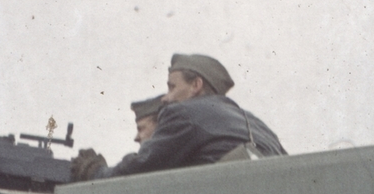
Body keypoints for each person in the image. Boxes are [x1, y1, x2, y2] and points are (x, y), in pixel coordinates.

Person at [71, 53, 286, 181]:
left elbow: (141, 168)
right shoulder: (257, 124)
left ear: (196, 85)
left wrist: (96, 172)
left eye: (172, 87)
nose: (165, 98)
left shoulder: (183, 112)